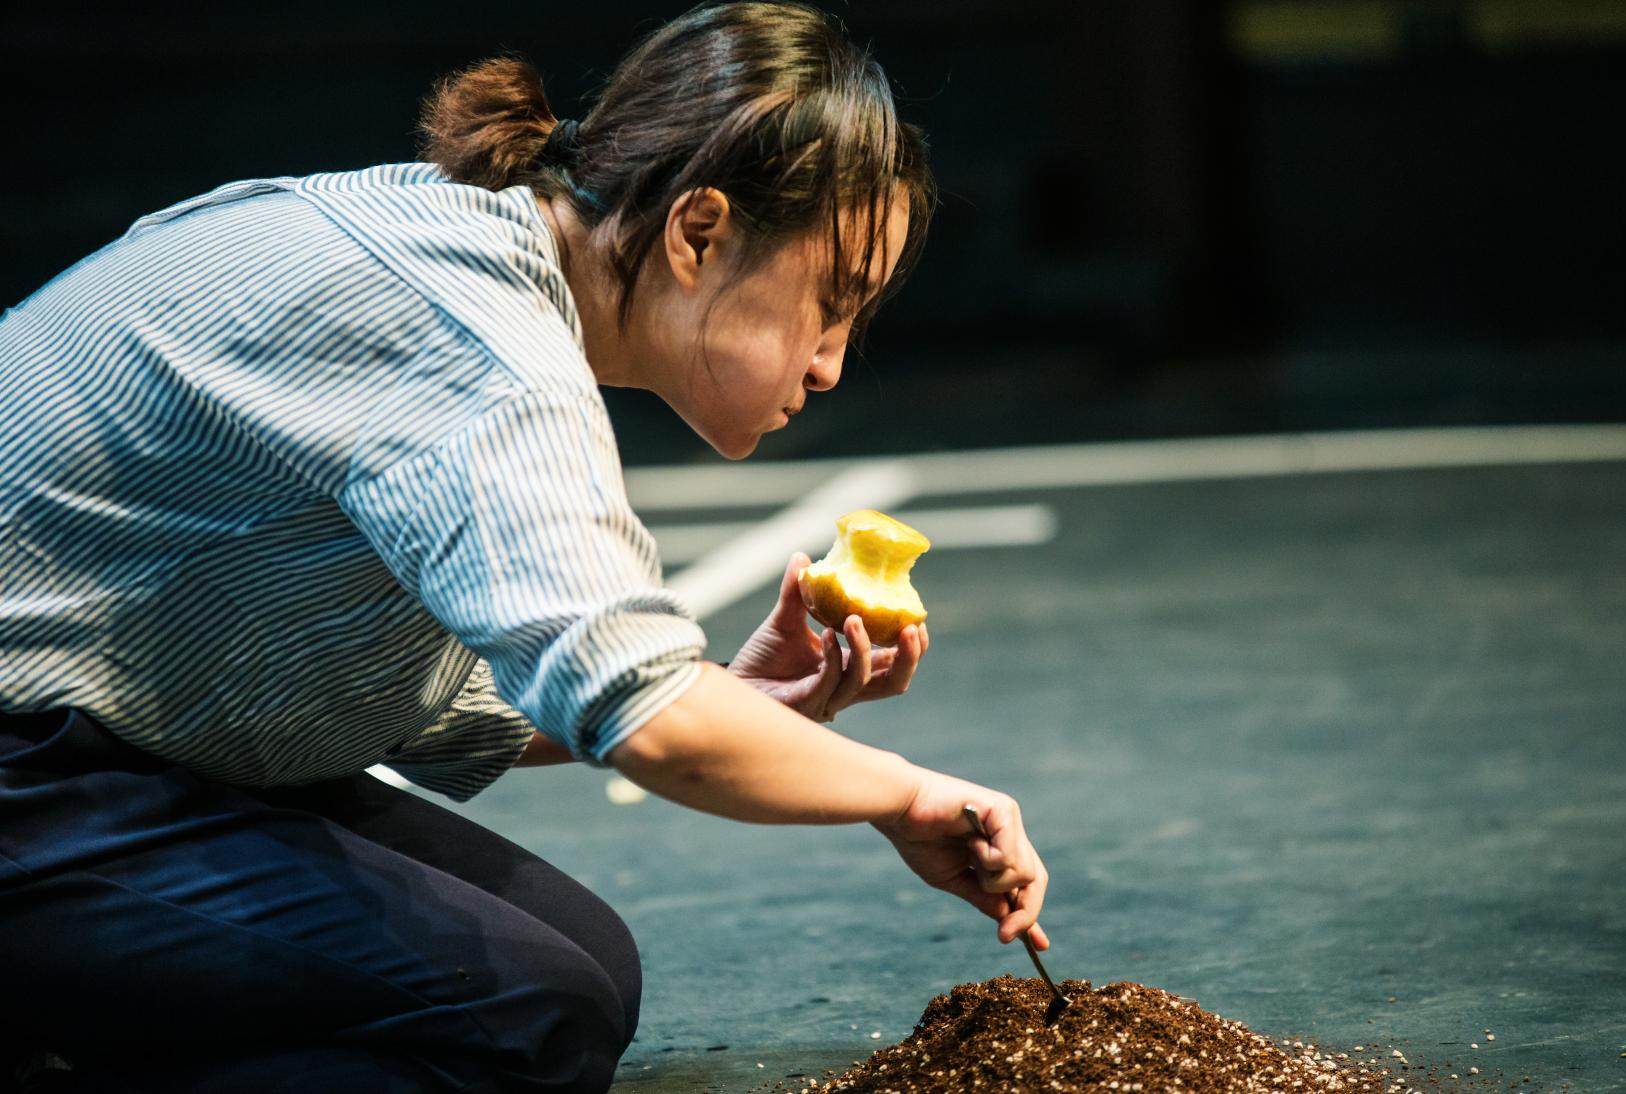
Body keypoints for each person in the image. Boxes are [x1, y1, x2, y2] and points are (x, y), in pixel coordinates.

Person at [0, 3, 1050, 1091]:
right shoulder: (480, 339)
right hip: (28, 760)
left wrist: (739, 710)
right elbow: (652, 724)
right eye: (830, 303)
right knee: (523, 1020)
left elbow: (367, 664)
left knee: (581, 959)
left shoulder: (462, 243)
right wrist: (902, 790)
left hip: (122, 727)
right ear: (698, 231)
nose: (830, 362)